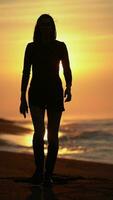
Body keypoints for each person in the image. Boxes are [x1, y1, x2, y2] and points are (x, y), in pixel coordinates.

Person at [19, 14, 72, 186]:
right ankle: (38, 172)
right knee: (39, 132)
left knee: (53, 136)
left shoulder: (60, 46)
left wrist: (69, 87)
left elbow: (67, 69)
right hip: (35, 93)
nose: (45, 27)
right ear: (37, 27)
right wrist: (22, 97)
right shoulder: (31, 47)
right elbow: (26, 72)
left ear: (52, 27)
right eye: (42, 24)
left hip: (55, 92)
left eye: (48, 24)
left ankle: (48, 174)